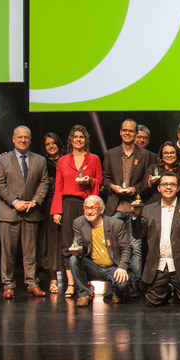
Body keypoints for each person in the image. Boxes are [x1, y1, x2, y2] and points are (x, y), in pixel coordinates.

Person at [0, 126, 49, 299]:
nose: (23, 140)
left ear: (30, 140)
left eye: (26, 137)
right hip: (9, 212)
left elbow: (44, 183)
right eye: (20, 137)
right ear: (13, 139)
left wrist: (34, 202)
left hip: (31, 212)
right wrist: (15, 202)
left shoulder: (40, 160)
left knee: (31, 253)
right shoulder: (2, 160)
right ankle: (8, 285)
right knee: (8, 252)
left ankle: (32, 284)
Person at [50, 125, 103, 299]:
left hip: (86, 205)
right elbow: (58, 187)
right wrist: (57, 210)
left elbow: (100, 182)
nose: (78, 139)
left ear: (85, 139)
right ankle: (71, 283)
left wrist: (91, 181)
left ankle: (87, 283)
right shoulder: (63, 160)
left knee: (87, 244)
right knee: (68, 244)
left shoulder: (94, 159)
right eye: (75, 136)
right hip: (67, 204)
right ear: (71, 140)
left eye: (81, 136)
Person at [141, 172, 180, 308]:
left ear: (178, 188)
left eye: (172, 184)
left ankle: (175, 290)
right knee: (152, 302)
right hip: (159, 264)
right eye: (165, 184)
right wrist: (135, 218)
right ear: (159, 188)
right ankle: (168, 290)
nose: (168, 187)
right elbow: (138, 234)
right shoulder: (148, 210)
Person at [102, 119, 151, 287]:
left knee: (135, 248)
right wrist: (113, 187)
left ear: (136, 133)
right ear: (120, 132)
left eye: (131, 131)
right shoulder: (111, 154)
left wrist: (135, 190)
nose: (128, 133)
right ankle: (117, 284)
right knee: (114, 248)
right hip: (114, 207)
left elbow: (147, 182)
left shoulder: (145, 155)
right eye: (125, 130)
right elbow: (105, 178)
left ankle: (135, 285)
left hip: (134, 208)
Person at [68, 195, 132, 306]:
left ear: (101, 210)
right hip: (93, 266)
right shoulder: (79, 223)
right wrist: (77, 251)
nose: (89, 211)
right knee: (73, 259)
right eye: (86, 208)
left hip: (113, 268)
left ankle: (114, 291)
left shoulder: (116, 224)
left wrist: (122, 267)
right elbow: (79, 245)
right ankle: (84, 294)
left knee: (122, 286)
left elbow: (126, 248)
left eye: (93, 208)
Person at [38, 132, 64, 295]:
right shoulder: (41, 162)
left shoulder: (68, 159)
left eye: (54, 143)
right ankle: (53, 280)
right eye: (48, 144)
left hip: (67, 203)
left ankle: (74, 280)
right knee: (51, 243)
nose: (51, 146)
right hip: (48, 205)